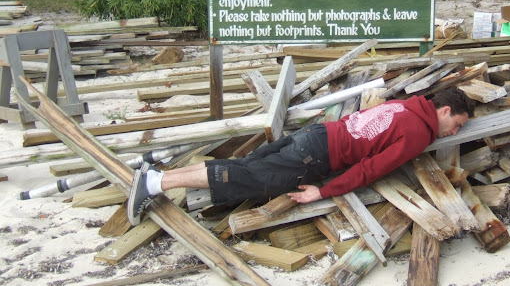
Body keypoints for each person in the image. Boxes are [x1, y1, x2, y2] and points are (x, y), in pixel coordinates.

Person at [127, 86, 474, 225]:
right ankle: (155, 181)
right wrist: (322, 191)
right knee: (241, 176)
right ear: (443, 110)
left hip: (318, 133)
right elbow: (371, 169)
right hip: (315, 157)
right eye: (456, 124)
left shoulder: (406, 105)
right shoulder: (418, 133)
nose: (454, 133)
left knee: (242, 167)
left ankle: (154, 175)